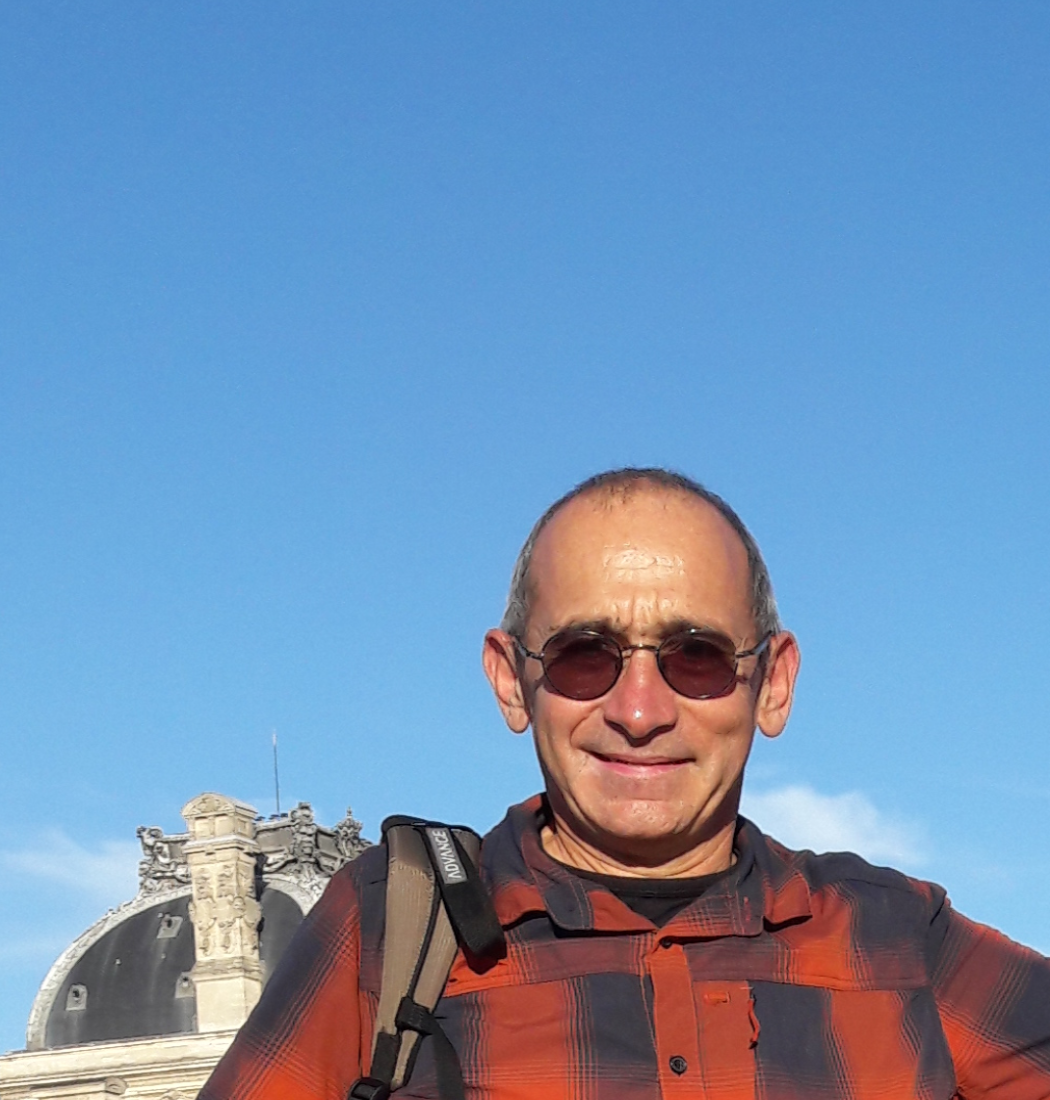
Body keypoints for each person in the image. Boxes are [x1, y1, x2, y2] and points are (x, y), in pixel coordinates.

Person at [201, 467, 1050, 1100]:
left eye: (697, 656)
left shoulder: (896, 938)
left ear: (773, 683)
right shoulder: (392, 931)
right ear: (510, 680)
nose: (639, 711)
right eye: (584, 655)